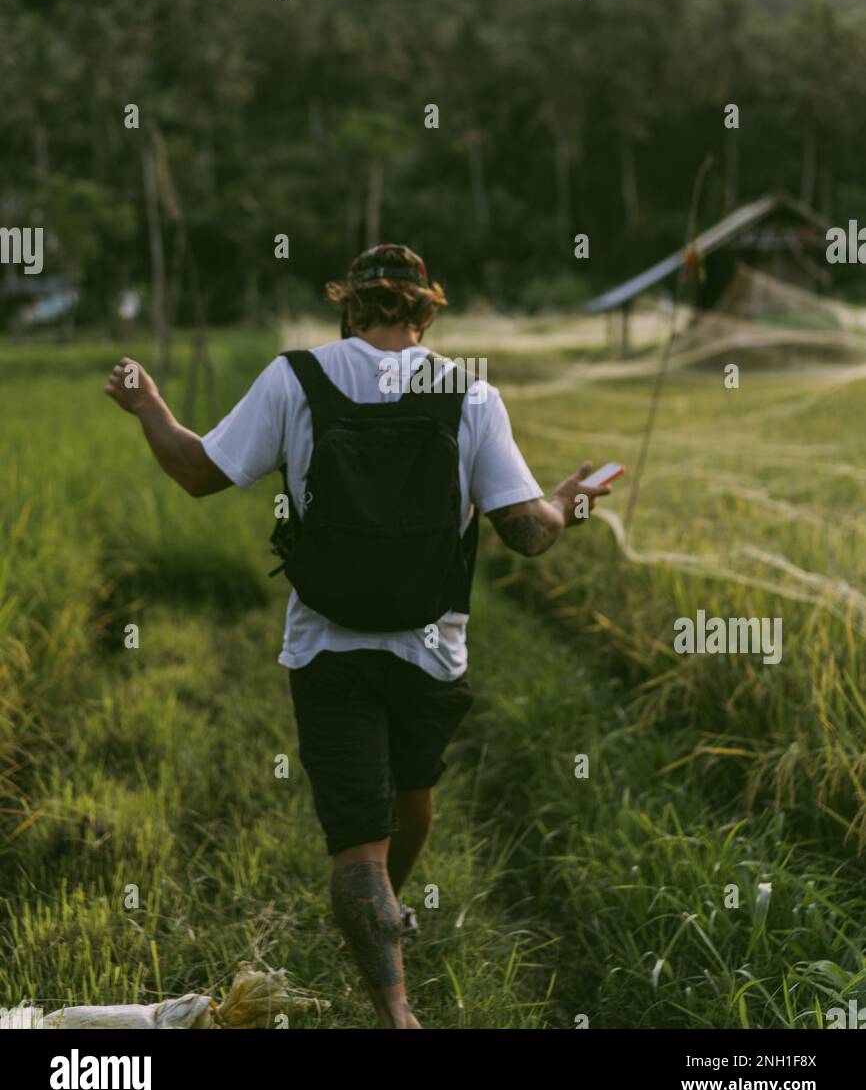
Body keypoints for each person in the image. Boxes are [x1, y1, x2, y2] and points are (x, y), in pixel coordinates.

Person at [104, 243, 610, 1030]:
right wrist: (572, 500)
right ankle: (395, 993)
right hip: (432, 652)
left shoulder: (295, 377)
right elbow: (528, 533)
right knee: (414, 811)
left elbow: (200, 472)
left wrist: (148, 406)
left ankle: (384, 967)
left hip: (327, 648)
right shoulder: (468, 391)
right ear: (427, 311)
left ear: (350, 306)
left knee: (360, 846)